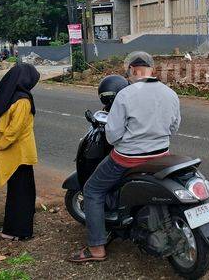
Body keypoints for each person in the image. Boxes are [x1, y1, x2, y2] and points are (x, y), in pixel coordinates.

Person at [69, 51, 181, 263]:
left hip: (128, 158)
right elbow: (174, 127)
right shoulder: (170, 93)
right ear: (153, 70)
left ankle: (96, 249)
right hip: (160, 156)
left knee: (92, 190)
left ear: (130, 71)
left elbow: (112, 136)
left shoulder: (126, 95)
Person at [0, 63, 40, 240]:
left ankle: (9, 229)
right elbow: (15, 131)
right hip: (20, 154)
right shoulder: (23, 101)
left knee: (14, 191)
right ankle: (19, 232)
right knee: (24, 194)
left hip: (4, 153)